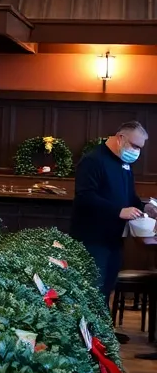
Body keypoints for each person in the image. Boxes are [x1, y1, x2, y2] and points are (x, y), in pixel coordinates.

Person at [71, 121, 157, 303]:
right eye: (135, 145)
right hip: (92, 239)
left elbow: (129, 196)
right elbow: (84, 197)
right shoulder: (93, 160)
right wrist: (118, 211)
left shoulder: (123, 162)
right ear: (120, 138)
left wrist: (145, 208)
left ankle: (101, 332)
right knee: (92, 292)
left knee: (106, 290)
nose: (137, 152)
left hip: (114, 239)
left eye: (140, 148)